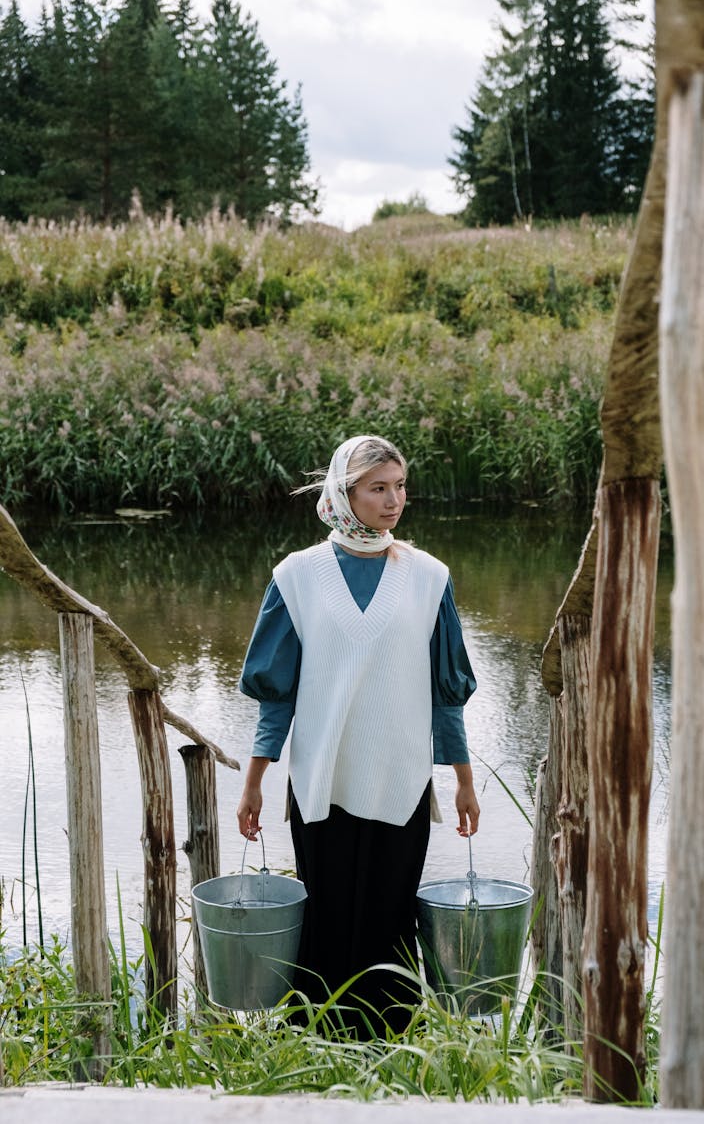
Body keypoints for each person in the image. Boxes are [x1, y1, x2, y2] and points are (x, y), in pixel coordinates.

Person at [236, 434, 479, 1037]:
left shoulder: (428, 578)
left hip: (401, 782)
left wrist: (463, 785)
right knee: (324, 911)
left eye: (400, 487)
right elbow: (277, 695)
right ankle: (317, 1040)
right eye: (378, 488)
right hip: (322, 778)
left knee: (390, 915)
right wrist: (254, 785)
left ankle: (391, 1042)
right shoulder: (299, 576)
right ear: (344, 494)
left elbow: (447, 694)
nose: (394, 500)